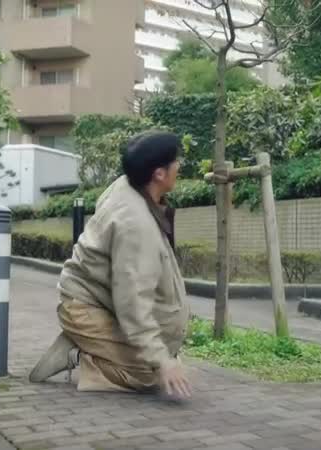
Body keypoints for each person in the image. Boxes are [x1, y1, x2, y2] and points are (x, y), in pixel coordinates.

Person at [29, 131, 192, 400]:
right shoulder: (135, 225)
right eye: (175, 161)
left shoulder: (128, 185)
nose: (180, 166)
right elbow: (132, 301)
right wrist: (161, 360)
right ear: (159, 174)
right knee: (151, 374)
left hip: (100, 301)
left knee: (159, 362)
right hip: (84, 307)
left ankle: (95, 345)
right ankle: (80, 356)